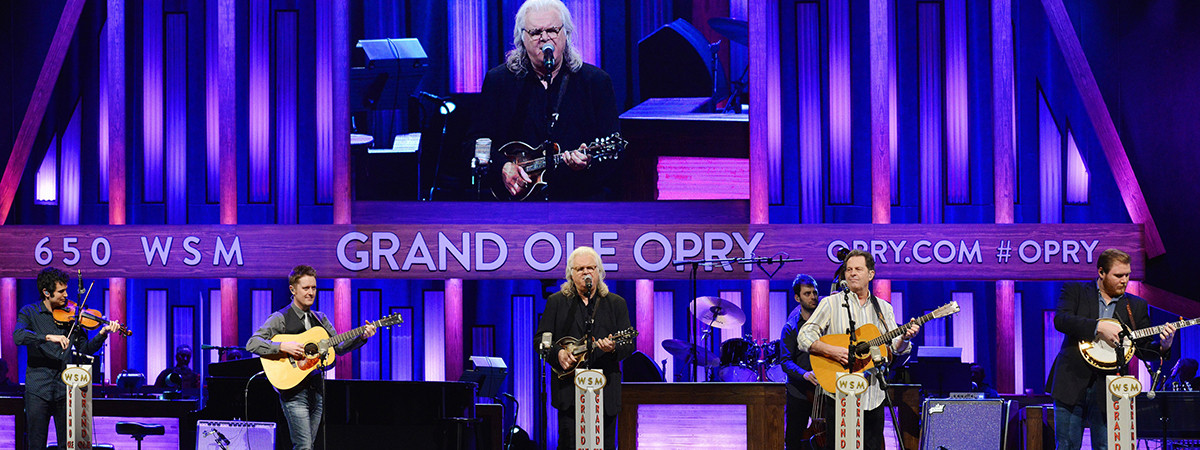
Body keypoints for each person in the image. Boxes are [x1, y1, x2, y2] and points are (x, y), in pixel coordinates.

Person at [470, 0, 621, 201]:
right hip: (516, 206)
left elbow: (615, 151)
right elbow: (476, 141)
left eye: (552, 30)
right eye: (535, 33)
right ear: (521, 38)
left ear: (566, 34)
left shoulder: (595, 82)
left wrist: (587, 162)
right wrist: (502, 167)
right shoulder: (499, 81)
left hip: (579, 201)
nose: (545, 39)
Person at [1047, 248, 1174, 450]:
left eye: (1127, 275)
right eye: (1118, 275)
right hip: (1071, 382)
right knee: (1066, 445)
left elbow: (1142, 349)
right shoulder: (1076, 291)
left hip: (1111, 387)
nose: (1124, 280)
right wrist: (1098, 327)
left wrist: (1163, 347)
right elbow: (1062, 320)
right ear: (1101, 272)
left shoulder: (1136, 305)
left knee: (1107, 446)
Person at [796, 250, 919, 450]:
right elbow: (804, 336)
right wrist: (831, 351)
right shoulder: (831, 303)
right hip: (840, 393)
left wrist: (904, 339)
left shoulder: (883, 308)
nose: (852, 273)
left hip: (873, 394)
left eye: (858, 269)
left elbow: (896, 349)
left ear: (870, 274)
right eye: (849, 269)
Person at [246, 265, 376, 450]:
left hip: (317, 391)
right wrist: (282, 346)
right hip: (293, 392)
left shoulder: (320, 319)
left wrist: (362, 336)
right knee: (304, 446)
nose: (311, 292)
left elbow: (338, 347)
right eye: (306, 288)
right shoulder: (280, 318)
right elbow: (252, 343)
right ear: (293, 289)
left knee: (308, 446)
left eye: (313, 288)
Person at [534, 247, 633, 450]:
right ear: (571, 273)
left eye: (591, 268)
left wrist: (614, 348)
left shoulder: (616, 303)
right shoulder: (556, 302)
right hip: (569, 393)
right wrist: (558, 354)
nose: (586, 273)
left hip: (604, 395)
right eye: (580, 269)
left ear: (599, 272)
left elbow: (629, 344)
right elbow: (540, 341)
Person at [14, 267, 121, 450]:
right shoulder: (29, 312)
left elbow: (86, 349)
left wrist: (102, 333)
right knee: (36, 444)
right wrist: (47, 337)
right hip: (38, 390)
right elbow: (18, 336)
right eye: (61, 291)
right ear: (46, 293)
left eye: (66, 290)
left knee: (68, 445)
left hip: (65, 390)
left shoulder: (73, 318)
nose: (66, 295)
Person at [780, 274, 820, 450]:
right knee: (794, 439)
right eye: (807, 293)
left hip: (823, 391)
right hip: (799, 391)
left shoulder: (825, 324)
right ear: (797, 298)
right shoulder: (790, 327)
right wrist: (804, 374)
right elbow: (785, 362)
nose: (813, 297)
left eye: (814, 292)